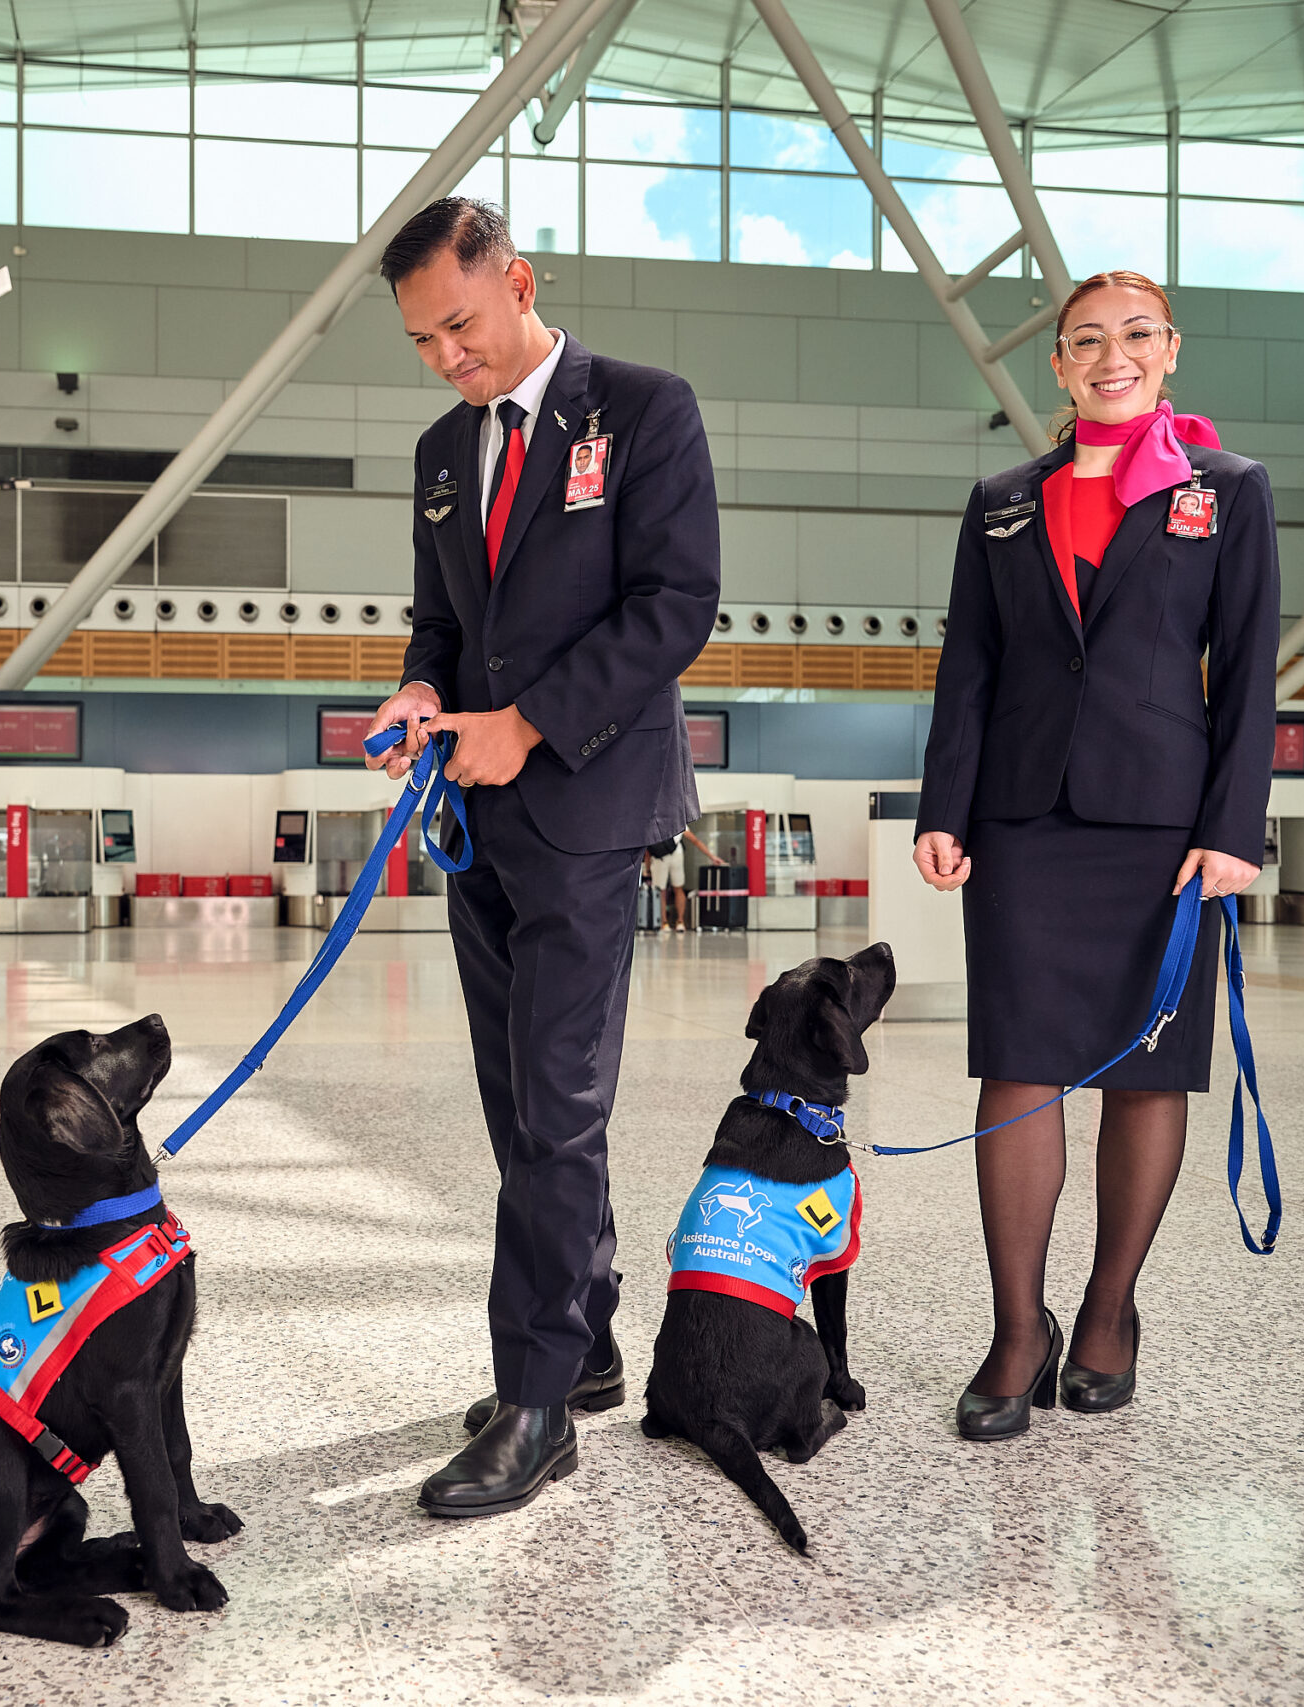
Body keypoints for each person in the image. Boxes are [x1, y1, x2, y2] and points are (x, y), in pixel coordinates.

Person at [365, 197, 719, 1516]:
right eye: (421, 340)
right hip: (479, 812)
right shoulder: (442, 451)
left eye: (459, 324)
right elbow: (441, 617)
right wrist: (420, 690)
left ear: (516, 282)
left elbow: (677, 602)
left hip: (584, 800)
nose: (446, 356)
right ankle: (587, 1346)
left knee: (558, 1102)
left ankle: (535, 1400)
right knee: (520, 1099)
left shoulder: (643, 407)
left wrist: (531, 721)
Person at [911, 269, 1277, 1441]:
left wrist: (1231, 829)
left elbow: (1249, 668)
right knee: (1016, 1071)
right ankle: (1018, 1328)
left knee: (1146, 1073)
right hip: (1023, 821)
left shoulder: (1226, 491)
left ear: (1169, 350)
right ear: (1058, 368)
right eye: (1084, 342)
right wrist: (944, 806)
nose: (1110, 357)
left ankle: (1109, 1309)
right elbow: (968, 665)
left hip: (1160, 830)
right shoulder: (1001, 500)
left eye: (1133, 336)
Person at [647, 830, 689, 931]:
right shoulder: (677, 821)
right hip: (677, 854)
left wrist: (647, 869)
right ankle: (680, 921)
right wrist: (712, 856)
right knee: (678, 888)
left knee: (660, 891)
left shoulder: (651, 822)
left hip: (659, 859)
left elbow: (647, 850)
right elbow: (694, 840)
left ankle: (663, 923)